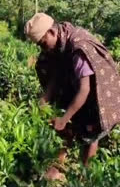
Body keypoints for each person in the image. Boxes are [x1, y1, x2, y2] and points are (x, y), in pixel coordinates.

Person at [25, 13, 120, 180]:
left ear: (51, 32)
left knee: (91, 133)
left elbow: (85, 90)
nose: (43, 48)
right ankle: (58, 167)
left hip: (99, 95)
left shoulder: (78, 50)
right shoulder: (60, 44)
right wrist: (45, 98)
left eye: (43, 43)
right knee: (67, 126)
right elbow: (56, 75)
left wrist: (64, 118)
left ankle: (84, 175)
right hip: (79, 89)